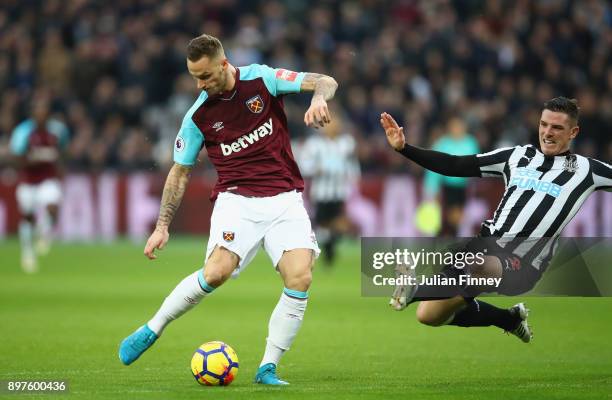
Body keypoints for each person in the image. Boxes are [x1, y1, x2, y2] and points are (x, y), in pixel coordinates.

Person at [118, 34, 338, 385]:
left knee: (301, 277)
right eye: (194, 77)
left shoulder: (262, 79)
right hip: (237, 200)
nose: (199, 84)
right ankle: (152, 328)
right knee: (217, 272)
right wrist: (162, 226)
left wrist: (318, 98)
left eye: (204, 76)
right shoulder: (198, 116)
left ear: (224, 64)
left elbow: (326, 80)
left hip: (284, 198)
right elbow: (180, 171)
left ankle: (268, 367)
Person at [380, 97, 612, 342]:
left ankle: (415, 290)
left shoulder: (587, 170)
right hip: (482, 246)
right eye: (544, 124)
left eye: (557, 127)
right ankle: (508, 319)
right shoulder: (516, 156)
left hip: (523, 263)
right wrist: (404, 148)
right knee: (428, 315)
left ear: (573, 132)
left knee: (482, 266)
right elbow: (455, 165)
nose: (548, 132)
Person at [9, 98, 69, 273]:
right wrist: (36, 158)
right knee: (28, 217)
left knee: (53, 208)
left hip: (48, 178)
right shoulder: (22, 132)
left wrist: (61, 165)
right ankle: (27, 252)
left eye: (44, 112)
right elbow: (16, 159)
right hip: (28, 181)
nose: (42, 116)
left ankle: (44, 231)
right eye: (38, 112)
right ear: (33, 114)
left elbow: (64, 151)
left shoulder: (58, 130)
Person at [299, 111, 360, 265]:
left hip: (339, 191)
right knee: (323, 225)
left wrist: (354, 179)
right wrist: (315, 170)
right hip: (321, 193)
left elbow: (352, 164)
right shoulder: (315, 145)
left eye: (337, 124)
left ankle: (331, 245)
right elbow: (304, 165)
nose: (334, 127)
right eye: (331, 124)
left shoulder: (346, 143)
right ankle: (328, 248)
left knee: (337, 223)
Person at [422, 116, 479, 236]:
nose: (457, 129)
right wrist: (432, 188)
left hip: (463, 186)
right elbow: (433, 166)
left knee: (458, 217)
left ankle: (453, 237)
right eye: (454, 126)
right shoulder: (442, 143)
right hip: (445, 185)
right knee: (444, 216)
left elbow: (475, 163)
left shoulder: (470, 142)